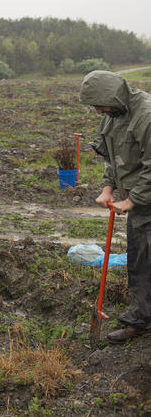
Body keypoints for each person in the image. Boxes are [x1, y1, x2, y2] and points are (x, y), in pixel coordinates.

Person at [79, 70, 151, 343]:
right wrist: (108, 188)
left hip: (144, 199)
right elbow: (111, 157)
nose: (97, 111)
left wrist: (132, 200)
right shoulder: (113, 117)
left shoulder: (146, 116)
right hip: (141, 203)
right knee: (139, 262)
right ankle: (142, 321)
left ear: (114, 96)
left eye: (99, 105)